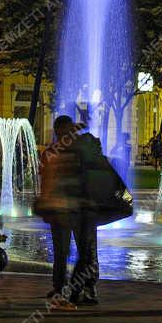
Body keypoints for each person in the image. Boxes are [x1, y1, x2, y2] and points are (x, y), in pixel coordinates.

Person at [37, 116, 98, 309]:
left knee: (67, 251)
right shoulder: (75, 152)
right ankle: (76, 288)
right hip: (74, 210)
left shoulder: (53, 153)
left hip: (67, 210)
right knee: (82, 251)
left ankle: (70, 288)